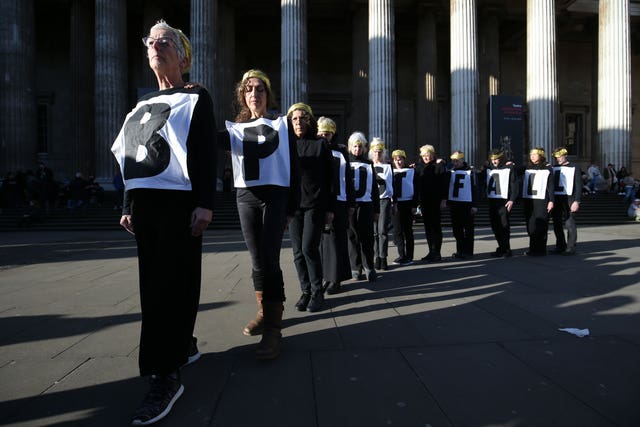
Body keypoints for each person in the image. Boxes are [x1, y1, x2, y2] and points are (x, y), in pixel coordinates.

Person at [110, 20, 217, 426]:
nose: (156, 46)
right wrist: (127, 202)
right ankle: (181, 346)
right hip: (147, 207)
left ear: (183, 55)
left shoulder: (196, 97)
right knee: (155, 284)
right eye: (150, 41)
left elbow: (205, 151)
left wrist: (206, 203)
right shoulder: (140, 104)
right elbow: (132, 156)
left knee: (171, 285)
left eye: (165, 41)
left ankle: (164, 375)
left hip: (181, 203)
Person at [221, 69, 300, 359]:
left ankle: (273, 329)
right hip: (246, 198)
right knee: (256, 261)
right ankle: (264, 311)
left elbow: (294, 168)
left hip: (275, 198)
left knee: (270, 259)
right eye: (249, 89)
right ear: (243, 96)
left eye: (260, 89)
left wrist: (291, 207)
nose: (254, 94)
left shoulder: (281, 125)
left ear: (268, 94)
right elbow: (205, 139)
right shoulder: (235, 130)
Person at [286, 103, 334, 313]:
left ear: (309, 121)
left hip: (315, 204)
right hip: (293, 206)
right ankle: (305, 291)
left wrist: (330, 208)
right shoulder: (286, 145)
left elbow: (331, 179)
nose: (298, 122)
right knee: (297, 252)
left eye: (302, 118)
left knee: (308, 248)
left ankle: (317, 293)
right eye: (294, 119)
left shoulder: (320, 145)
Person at [317, 116, 354, 295]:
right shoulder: (315, 148)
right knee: (323, 242)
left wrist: (351, 204)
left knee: (335, 240)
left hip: (339, 201)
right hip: (319, 201)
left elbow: (348, 178)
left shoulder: (341, 151)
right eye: (322, 133)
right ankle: (326, 276)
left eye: (328, 134)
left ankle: (336, 278)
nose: (325, 136)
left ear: (333, 135)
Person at [347, 131, 380, 282]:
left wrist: (377, 209)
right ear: (350, 147)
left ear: (364, 148)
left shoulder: (369, 164)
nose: (357, 150)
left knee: (367, 237)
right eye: (354, 146)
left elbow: (374, 188)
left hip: (366, 205)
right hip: (351, 206)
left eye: (360, 147)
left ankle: (369, 266)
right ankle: (355, 267)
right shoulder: (345, 162)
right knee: (352, 236)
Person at [415, 144, 448, 262]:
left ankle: (437, 252)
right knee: (428, 227)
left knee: (436, 227)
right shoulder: (419, 167)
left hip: (436, 201)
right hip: (424, 201)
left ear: (432, 155)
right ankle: (431, 251)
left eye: (428, 155)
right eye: (423, 155)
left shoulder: (439, 166)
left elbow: (444, 183)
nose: (425, 157)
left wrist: (444, 199)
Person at [521, 147, 554, 256]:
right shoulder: (527, 167)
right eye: (531, 155)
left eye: (535, 155)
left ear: (541, 156)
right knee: (531, 226)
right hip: (529, 200)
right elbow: (512, 171)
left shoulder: (547, 167)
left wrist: (551, 201)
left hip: (542, 200)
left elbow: (551, 185)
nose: (532, 157)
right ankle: (533, 249)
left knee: (541, 225)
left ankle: (540, 249)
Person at [486, 149, 518, 257]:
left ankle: (507, 249)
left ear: (501, 158)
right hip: (492, 201)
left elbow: (514, 185)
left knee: (504, 226)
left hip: (504, 202)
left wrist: (512, 199)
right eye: (492, 159)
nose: (494, 161)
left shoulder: (509, 168)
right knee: (495, 226)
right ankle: (501, 247)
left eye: (496, 159)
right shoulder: (488, 168)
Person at [550, 147, 582, 255]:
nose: (558, 159)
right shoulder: (553, 167)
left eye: (560, 156)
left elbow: (578, 185)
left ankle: (571, 247)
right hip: (556, 198)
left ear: (565, 155)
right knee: (556, 223)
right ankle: (560, 245)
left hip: (569, 198)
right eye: (556, 157)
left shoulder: (574, 167)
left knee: (569, 223)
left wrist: (577, 201)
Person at [446, 151, 478, 259]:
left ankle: (468, 251)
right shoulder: (450, 171)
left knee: (468, 229)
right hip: (455, 204)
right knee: (457, 229)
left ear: (462, 160)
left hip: (467, 204)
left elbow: (475, 189)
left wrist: (474, 205)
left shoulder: (470, 171)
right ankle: (460, 250)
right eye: (453, 161)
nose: (455, 163)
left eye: (457, 161)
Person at [369, 138, 393, 270]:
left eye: (379, 152)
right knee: (373, 232)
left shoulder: (388, 166)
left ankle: (383, 257)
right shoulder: (368, 165)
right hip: (371, 201)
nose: (377, 154)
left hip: (384, 200)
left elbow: (391, 184)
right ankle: (376, 256)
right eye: (375, 152)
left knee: (382, 230)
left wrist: (392, 201)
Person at [391, 149, 418, 265]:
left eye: (400, 159)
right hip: (396, 204)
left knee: (408, 231)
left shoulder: (412, 171)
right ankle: (401, 255)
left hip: (407, 203)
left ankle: (409, 256)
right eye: (396, 159)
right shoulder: (390, 171)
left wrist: (414, 205)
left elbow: (417, 189)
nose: (398, 161)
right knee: (397, 231)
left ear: (404, 160)